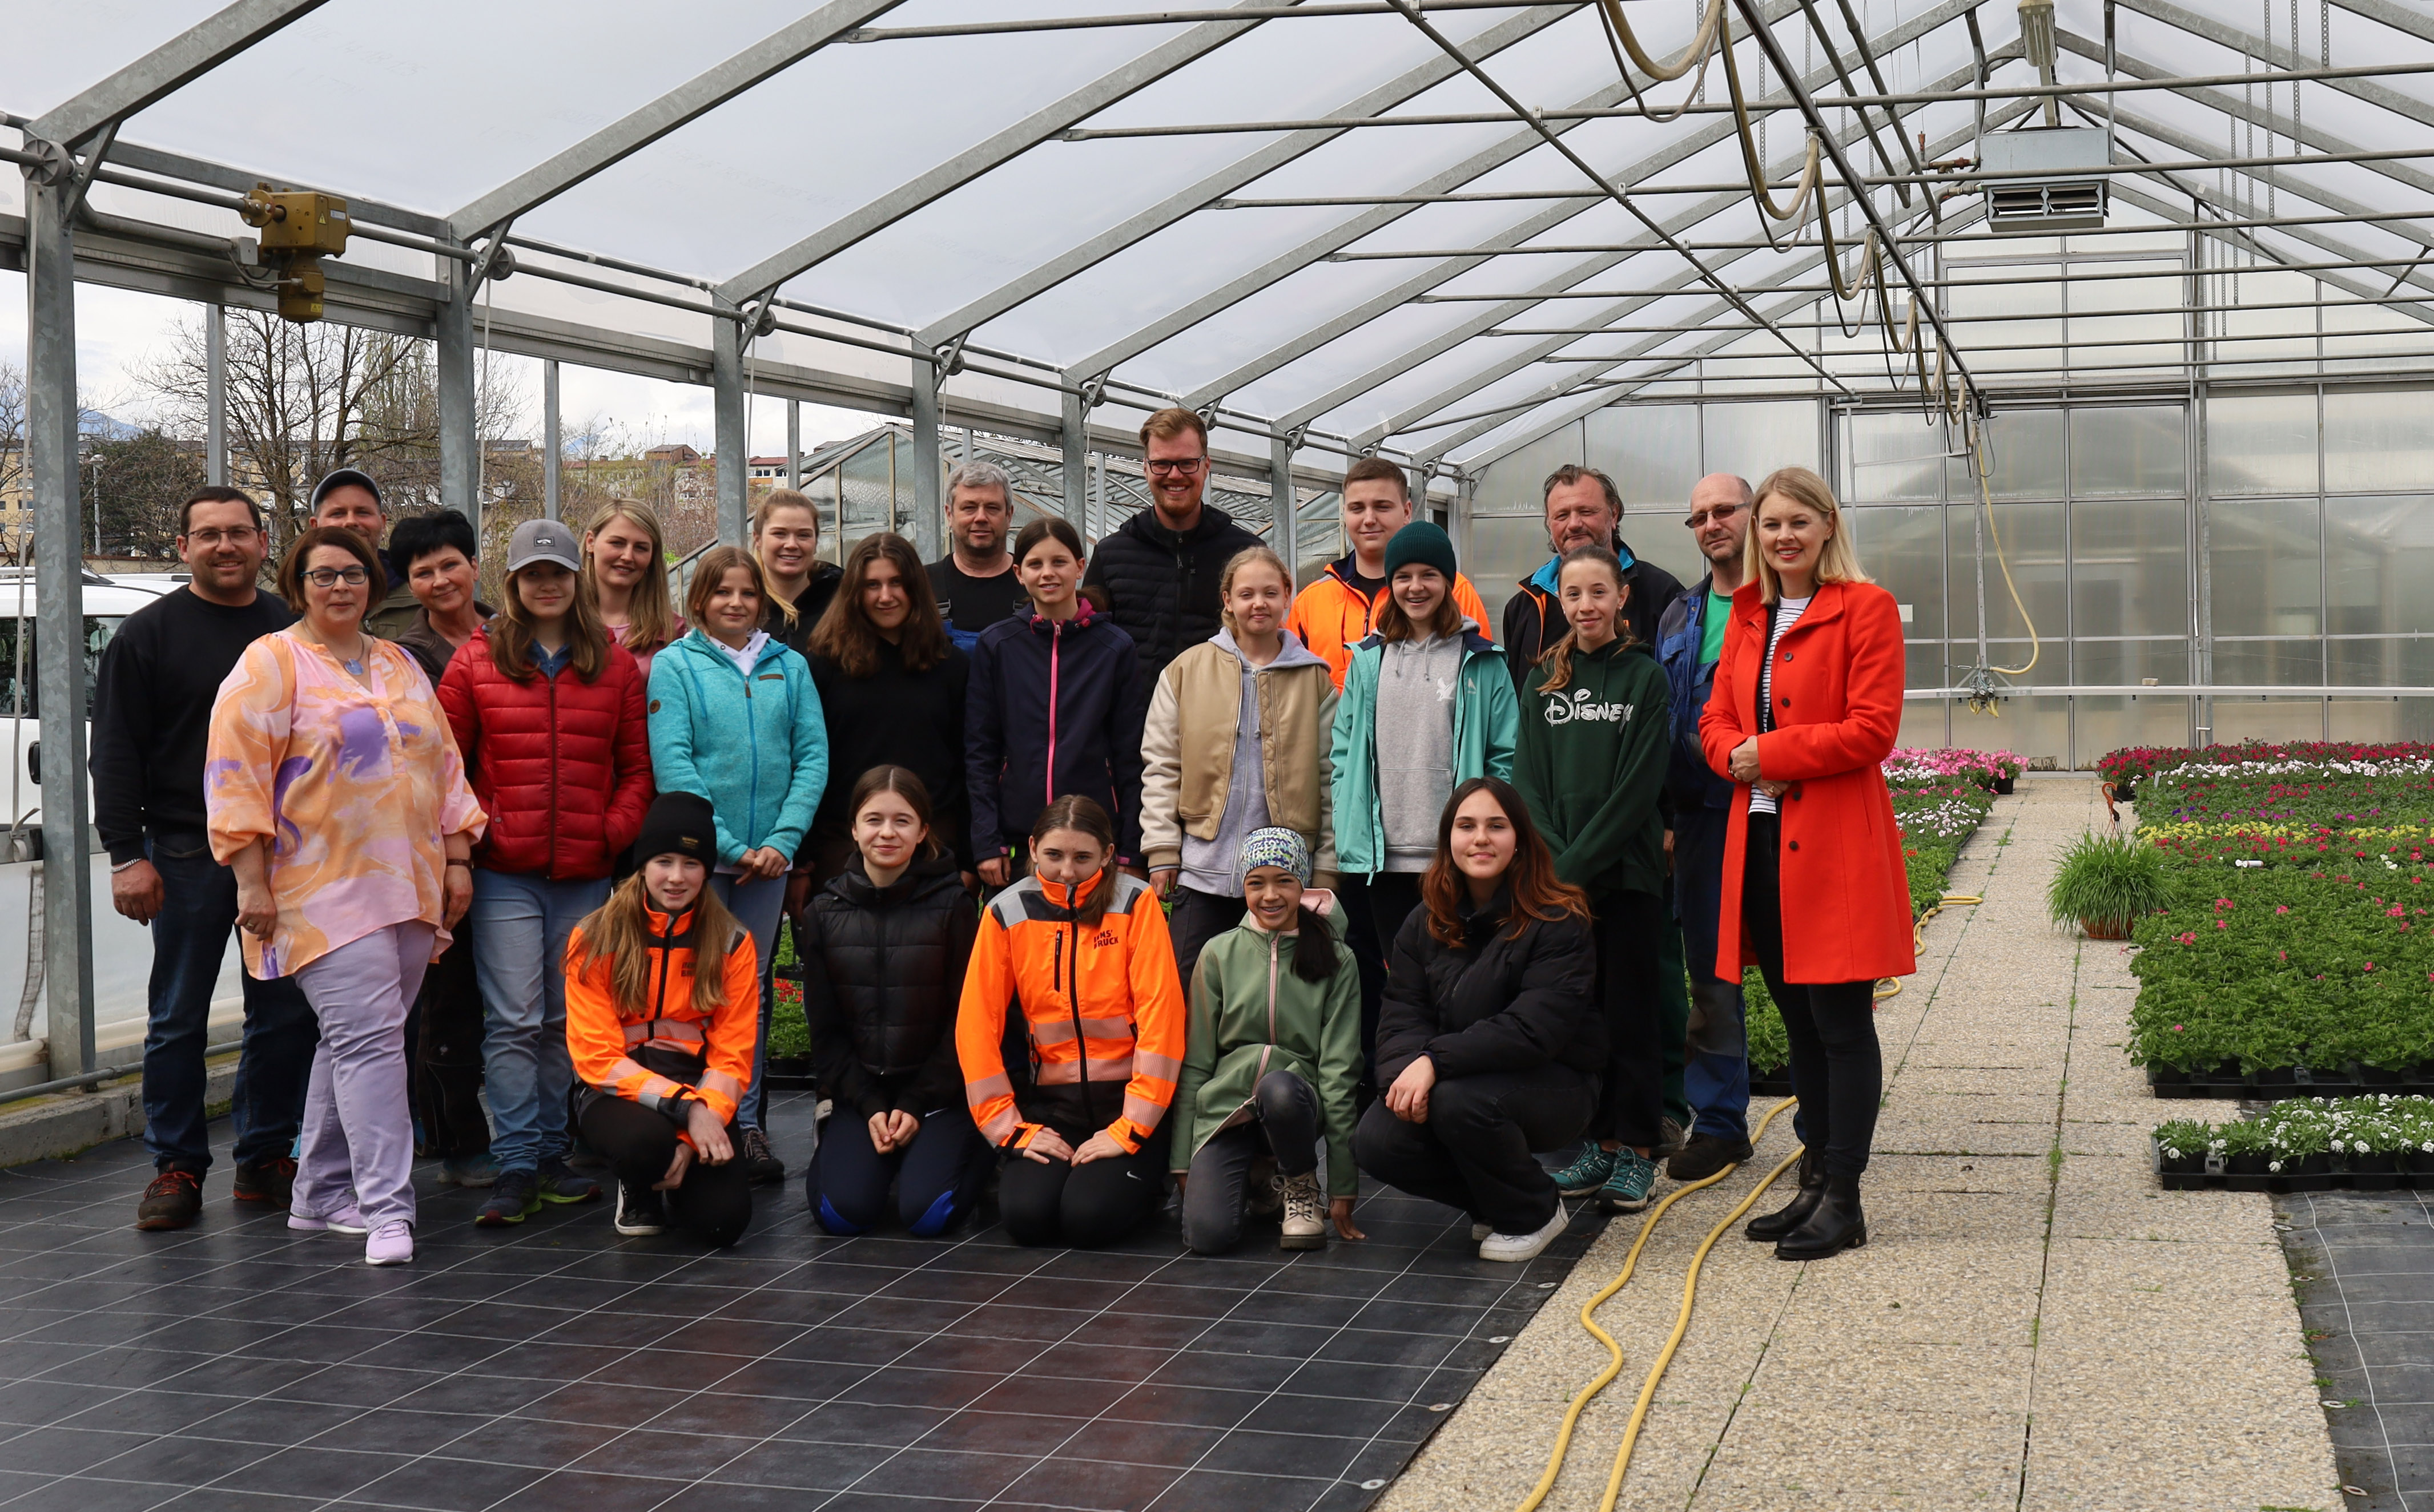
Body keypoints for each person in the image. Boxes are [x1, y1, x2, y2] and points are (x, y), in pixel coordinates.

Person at [206, 526, 486, 1266]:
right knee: (370, 1044)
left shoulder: (398, 661)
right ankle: (388, 1210)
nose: (340, 586)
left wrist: (458, 859)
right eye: (323, 574)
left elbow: (444, 765)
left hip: (410, 881)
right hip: (317, 889)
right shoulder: (270, 663)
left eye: (354, 573)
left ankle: (319, 1193)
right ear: (298, 585)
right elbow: (234, 777)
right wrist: (250, 882)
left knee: (355, 1041)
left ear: (373, 583)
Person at [1701, 465, 1913, 1263]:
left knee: (1841, 1025)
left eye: (1798, 522)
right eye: (1771, 524)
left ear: (1827, 527)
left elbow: (1872, 728)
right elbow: (1715, 718)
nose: (1783, 536)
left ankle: (1845, 1197)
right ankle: (1814, 1177)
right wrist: (1739, 756)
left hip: (1833, 849)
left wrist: (1773, 754)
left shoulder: (1865, 608)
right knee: (1797, 1023)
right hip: (1758, 845)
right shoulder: (1748, 614)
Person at [98, 486, 318, 1232]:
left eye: (239, 533)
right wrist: (125, 854)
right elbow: (115, 750)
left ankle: (265, 1155)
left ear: (264, 542)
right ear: (183, 547)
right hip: (185, 850)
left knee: (282, 1013)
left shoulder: (292, 630)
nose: (226, 546)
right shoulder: (147, 636)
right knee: (178, 1017)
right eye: (209, 534)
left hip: (283, 854)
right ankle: (178, 1167)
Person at [438, 518, 652, 1227]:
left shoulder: (611, 664)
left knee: (566, 1020)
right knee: (513, 1020)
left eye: (557, 572)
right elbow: (446, 766)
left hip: (584, 874)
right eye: (533, 574)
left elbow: (637, 769)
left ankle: (552, 1153)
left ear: (575, 578)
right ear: (513, 583)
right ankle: (517, 1162)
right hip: (506, 873)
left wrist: (609, 832)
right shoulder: (476, 661)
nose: (547, 584)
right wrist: (481, 834)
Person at [1353, 778, 1602, 1263]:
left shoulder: (1559, 919)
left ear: (1520, 838)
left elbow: (1533, 1029)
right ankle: (1496, 1201)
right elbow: (1401, 1014)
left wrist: (1433, 1062)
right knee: (1377, 1139)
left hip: (1556, 1084)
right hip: (1455, 1077)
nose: (1480, 838)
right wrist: (1404, 1076)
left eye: (1496, 826)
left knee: (1459, 1102)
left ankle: (1533, 1210)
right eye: (1466, 826)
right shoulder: (1424, 920)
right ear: (1448, 839)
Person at [649, 545, 829, 1184]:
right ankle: (689, 1117)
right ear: (699, 600)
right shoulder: (675, 666)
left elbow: (812, 756)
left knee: (747, 995)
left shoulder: (790, 666)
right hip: (703, 862)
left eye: (747, 593)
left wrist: (782, 841)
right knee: (689, 989)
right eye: (721, 591)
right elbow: (675, 762)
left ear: (763, 601)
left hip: (769, 866)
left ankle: (744, 1121)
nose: (735, 602)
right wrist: (727, 846)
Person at [1515, 546, 1673, 1215]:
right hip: (1563, 882)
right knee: (1585, 1019)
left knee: (1632, 1014)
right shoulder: (1544, 680)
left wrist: (1572, 868)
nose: (1586, 606)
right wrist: (1556, 865)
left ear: (1621, 599)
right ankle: (1600, 1143)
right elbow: (1528, 781)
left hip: (1626, 877)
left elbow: (1638, 789)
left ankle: (1637, 1149)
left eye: (1598, 593)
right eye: (1574, 594)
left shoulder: (1645, 679)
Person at [1330, 521, 1518, 1081]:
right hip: (1384, 858)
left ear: (1448, 581)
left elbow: (1505, 754)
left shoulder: (1481, 661)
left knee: (1462, 979)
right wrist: (1349, 821)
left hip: (1454, 857)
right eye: (1404, 576)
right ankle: (1399, 1085)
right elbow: (1343, 750)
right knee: (1401, 981)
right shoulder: (1368, 660)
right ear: (1389, 583)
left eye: (1429, 575)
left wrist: (1485, 830)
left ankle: (1460, 1084)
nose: (1416, 587)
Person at [955, 795, 1185, 1248]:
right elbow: (977, 1025)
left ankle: (1145, 1181)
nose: (1066, 871)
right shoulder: (1005, 911)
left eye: (1082, 857)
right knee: (1026, 1219)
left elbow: (1162, 1019)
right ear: (1032, 847)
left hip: (1128, 1107)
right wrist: (1009, 1128)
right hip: (1052, 1111)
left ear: (1107, 853)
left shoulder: (1135, 903)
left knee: (1087, 1220)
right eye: (1054, 855)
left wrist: (1131, 1127)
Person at [564, 793, 758, 1247]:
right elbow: (596, 1058)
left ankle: (675, 1175)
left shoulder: (732, 941)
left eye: (691, 863)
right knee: (644, 1144)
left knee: (723, 1222)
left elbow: (732, 1058)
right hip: (615, 1094)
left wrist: (693, 1134)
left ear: (707, 871)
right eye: (663, 861)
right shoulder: (594, 936)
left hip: (699, 1093)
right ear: (642, 865)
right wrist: (685, 1109)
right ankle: (639, 1184)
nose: (676, 877)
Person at [800, 767, 988, 1236]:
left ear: (923, 830)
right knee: (842, 1214)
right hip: (862, 1094)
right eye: (874, 819)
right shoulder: (823, 912)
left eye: (902, 820)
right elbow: (825, 1032)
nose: (887, 832)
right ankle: (860, 1147)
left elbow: (966, 1020)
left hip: (939, 1093)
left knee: (928, 1215)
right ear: (853, 828)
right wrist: (868, 1104)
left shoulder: (955, 906)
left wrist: (916, 1100)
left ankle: (970, 1149)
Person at [1141, 544, 1337, 982]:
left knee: (1278, 996)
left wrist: (1325, 866)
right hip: (1203, 872)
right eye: (1246, 594)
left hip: (1283, 881)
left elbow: (1330, 780)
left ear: (1287, 595)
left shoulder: (1315, 681)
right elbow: (1161, 767)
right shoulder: (1186, 671)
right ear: (1227, 599)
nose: (1258, 603)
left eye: (1270, 592)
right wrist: (1162, 848)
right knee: (1188, 987)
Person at [1173, 829, 1365, 1255]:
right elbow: (1197, 1061)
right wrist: (1182, 1160)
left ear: (1302, 884)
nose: (1270, 895)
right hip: (1227, 1109)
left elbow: (1339, 1073)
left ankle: (1299, 1183)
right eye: (1256, 883)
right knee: (1207, 1236)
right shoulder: (1218, 953)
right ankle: (1262, 1180)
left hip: (1293, 1103)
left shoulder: (1338, 959)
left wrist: (1344, 1184)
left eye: (1284, 881)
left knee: (1277, 1087)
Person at [384, 507, 496, 1188]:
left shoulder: (512, 634)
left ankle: (543, 1131)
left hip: (515, 835)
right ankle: (458, 1138)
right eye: (423, 572)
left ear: (474, 566)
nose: (440, 580)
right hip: (440, 843)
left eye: (451, 564)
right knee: (447, 999)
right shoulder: (402, 658)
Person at [1655, 474, 1760, 1182]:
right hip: (1701, 817)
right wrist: (1668, 817)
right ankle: (1721, 1124)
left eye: (1725, 511)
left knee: (1798, 971)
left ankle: (1821, 1129)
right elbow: (1666, 721)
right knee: (1713, 975)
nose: (1711, 525)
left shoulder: (1788, 605)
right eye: (1698, 517)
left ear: (1753, 514)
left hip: (1777, 808)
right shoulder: (1679, 615)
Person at [966, 518, 1145, 887]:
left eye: (1059, 562)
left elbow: (1130, 753)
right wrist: (986, 841)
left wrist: (1131, 847)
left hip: (1094, 840)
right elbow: (980, 749)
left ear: (1080, 567)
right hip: (1019, 841)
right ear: (1019, 573)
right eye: (1035, 564)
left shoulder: (1114, 648)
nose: (1047, 573)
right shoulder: (998, 645)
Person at [802, 531, 971, 892]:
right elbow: (806, 762)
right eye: (872, 585)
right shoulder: (823, 665)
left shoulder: (951, 665)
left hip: (934, 845)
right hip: (842, 846)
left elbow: (968, 762)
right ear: (854, 593)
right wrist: (803, 863)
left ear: (915, 588)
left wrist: (969, 857)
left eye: (897, 583)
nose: (885, 596)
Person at [1083, 406, 1263, 714]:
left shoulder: (1246, 553)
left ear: (1206, 466)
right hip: (1134, 728)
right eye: (1162, 464)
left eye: (1187, 463)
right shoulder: (1112, 555)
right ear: (1145, 468)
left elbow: (1267, 643)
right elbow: (1088, 650)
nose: (1175, 475)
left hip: (1225, 723)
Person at [1287, 457, 1493, 688]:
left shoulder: (1453, 590)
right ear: (1344, 513)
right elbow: (1291, 683)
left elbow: (1481, 681)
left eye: (1382, 507)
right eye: (1357, 508)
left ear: (1406, 512)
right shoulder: (1311, 601)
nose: (1369, 519)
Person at [1502, 464, 1687, 684]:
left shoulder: (1661, 593)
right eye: (1562, 515)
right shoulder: (1524, 607)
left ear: (1614, 515)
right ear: (1549, 524)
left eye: (1586, 512)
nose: (1574, 524)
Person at [926, 461, 1028, 649]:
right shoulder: (922, 585)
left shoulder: (1034, 584)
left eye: (992, 508)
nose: (981, 517)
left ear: (1009, 515)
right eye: (969, 508)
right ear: (949, 515)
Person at [307, 467, 419, 638]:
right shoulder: (287, 600)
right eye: (338, 514)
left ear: (383, 523)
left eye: (363, 512)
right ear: (315, 526)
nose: (351, 521)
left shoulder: (420, 592)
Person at [581, 498, 683, 678]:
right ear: (591, 542)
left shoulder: (673, 631)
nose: (628, 557)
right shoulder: (560, 620)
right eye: (617, 543)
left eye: (641, 548)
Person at [753, 489, 843, 656]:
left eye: (803, 535)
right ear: (758, 539)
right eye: (780, 534)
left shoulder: (844, 599)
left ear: (816, 543)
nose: (792, 545)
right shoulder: (738, 604)